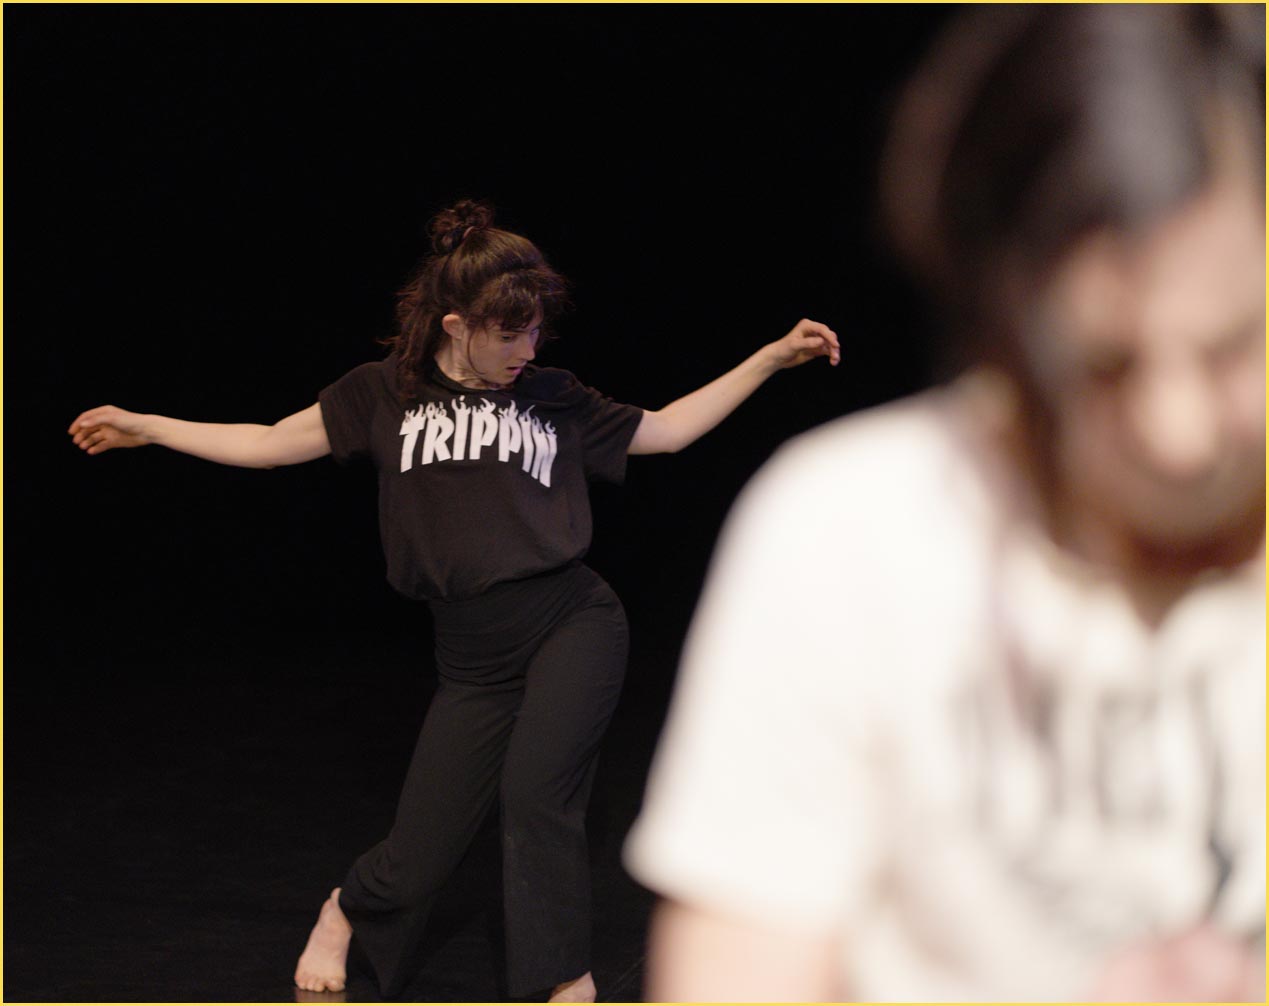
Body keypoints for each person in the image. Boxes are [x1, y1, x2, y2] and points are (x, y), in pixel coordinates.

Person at [622, 5, 1265, 1001]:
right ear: (1001, 316)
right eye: (1103, 365)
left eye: (1232, 349)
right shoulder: (851, 541)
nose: (1178, 434)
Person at [67, 199, 839, 1002]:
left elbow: (668, 430)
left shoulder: (552, 396)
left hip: (570, 619)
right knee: (423, 849)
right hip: (471, 656)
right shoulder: (382, 393)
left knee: (536, 797)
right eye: (508, 335)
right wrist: (150, 426)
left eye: (533, 333)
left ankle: (561, 980)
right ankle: (348, 907)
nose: (525, 351)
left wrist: (768, 358)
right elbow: (266, 444)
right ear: (454, 324)